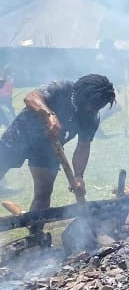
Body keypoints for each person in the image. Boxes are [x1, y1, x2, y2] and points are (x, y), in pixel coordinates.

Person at [0, 74, 115, 233]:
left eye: (97, 107)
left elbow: (83, 146)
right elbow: (31, 98)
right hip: (20, 135)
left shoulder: (91, 117)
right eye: (92, 104)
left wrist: (79, 176)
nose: (92, 110)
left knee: (43, 193)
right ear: (83, 95)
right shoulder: (62, 88)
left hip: (48, 148)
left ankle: (36, 236)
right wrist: (49, 114)